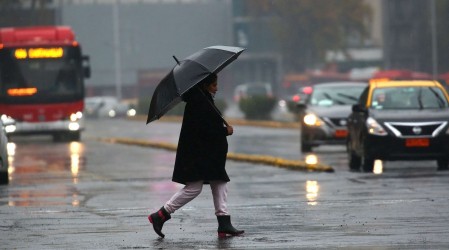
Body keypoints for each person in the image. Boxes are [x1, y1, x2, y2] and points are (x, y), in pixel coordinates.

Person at [148, 73, 244, 238]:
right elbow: (206, 130)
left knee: (219, 182)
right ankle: (160, 215)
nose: (217, 88)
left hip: (207, 155)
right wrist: (225, 131)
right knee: (194, 188)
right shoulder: (199, 102)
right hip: (198, 156)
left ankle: (224, 223)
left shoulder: (203, 99)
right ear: (205, 85)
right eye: (214, 85)